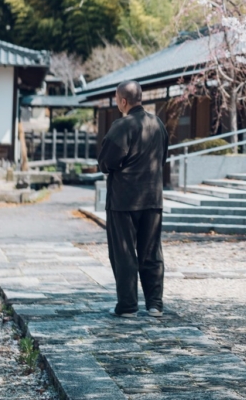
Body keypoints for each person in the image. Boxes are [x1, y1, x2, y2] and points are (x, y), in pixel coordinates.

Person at [97, 80, 170, 317]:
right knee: (151, 252)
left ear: (123, 101)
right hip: (152, 198)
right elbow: (163, 157)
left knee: (124, 252)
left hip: (124, 200)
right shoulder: (158, 124)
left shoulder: (122, 126)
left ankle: (128, 306)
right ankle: (155, 305)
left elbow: (106, 163)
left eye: (117, 100)